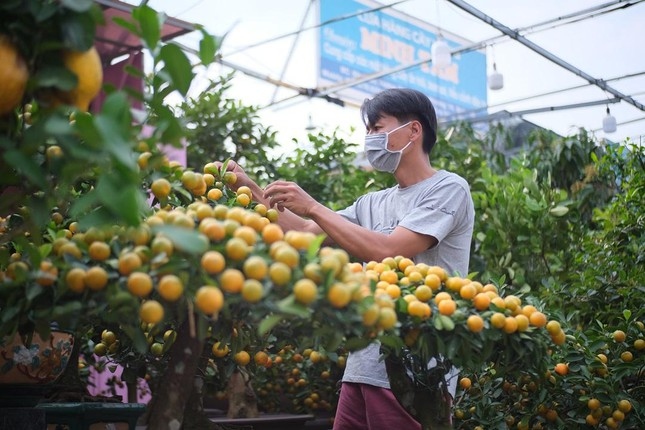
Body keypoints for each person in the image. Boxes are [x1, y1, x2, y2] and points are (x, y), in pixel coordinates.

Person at [219, 87, 475, 430]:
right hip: (364, 364)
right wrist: (248, 188)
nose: (369, 138)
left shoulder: (448, 188)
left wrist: (313, 205)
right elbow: (303, 235)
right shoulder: (373, 202)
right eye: (367, 130)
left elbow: (389, 249)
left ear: (414, 130)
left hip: (417, 370)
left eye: (377, 128)